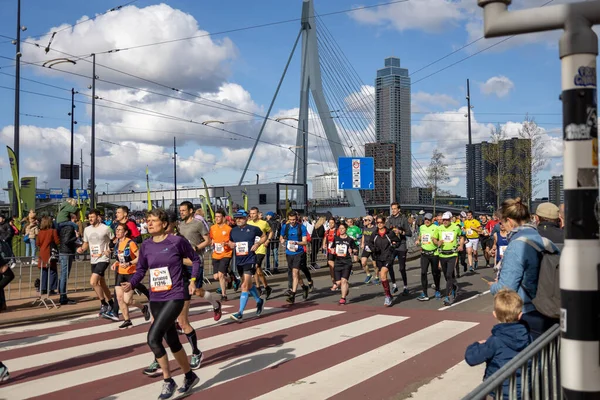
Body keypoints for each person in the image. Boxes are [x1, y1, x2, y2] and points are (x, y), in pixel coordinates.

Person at [122, 208, 200, 399]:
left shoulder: (177, 241)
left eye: (153, 220)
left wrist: (192, 281)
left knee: (153, 338)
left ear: (164, 224)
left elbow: (196, 260)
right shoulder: (146, 245)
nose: (149, 223)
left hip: (175, 295)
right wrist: (131, 283)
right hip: (155, 297)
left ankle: (168, 380)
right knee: (172, 340)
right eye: (147, 220)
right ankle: (189, 375)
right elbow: (141, 270)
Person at [488, 198, 560, 341]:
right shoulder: (547, 242)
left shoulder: (517, 245)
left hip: (527, 313)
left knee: (528, 361)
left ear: (509, 221)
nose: (502, 227)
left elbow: (506, 288)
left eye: (502, 223)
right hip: (551, 309)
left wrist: (493, 286)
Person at [465, 289, 531, 399]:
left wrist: (476, 344)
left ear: (495, 315)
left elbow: (471, 358)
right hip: (522, 389)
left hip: (498, 391)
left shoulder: (495, 340)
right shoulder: (527, 336)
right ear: (520, 315)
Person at [177, 201, 219, 369]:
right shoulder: (179, 225)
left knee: (197, 292)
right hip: (181, 264)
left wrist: (195, 247)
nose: (181, 213)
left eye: (184, 210)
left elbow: (208, 241)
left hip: (195, 262)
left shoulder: (198, 223)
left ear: (191, 211)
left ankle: (215, 303)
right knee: (183, 293)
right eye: (180, 210)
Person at [228, 209, 266, 321]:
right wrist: (231, 244)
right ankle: (259, 301)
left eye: (241, 218)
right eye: (237, 218)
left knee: (244, 286)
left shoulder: (253, 229)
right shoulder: (233, 231)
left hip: (250, 260)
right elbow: (230, 242)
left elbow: (264, 236)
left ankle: (240, 313)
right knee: (248, 285)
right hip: (239, 260)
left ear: (246, 218)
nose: (238, 220)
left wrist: (258, 244)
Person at [77, 209, 116, 317]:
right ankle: (112, 304)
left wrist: (110, 249)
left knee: (93, 282)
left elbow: (115, 239)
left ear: (98, 217)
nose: (90, 219)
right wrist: (81, 249)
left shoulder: (106, 228)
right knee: (101, 283)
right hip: (93, 259)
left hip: (103, 258)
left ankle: (103, 304)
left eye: (92, 217)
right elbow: (86, 243)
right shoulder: (87, 230)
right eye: (89, 217)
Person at [111, 223, 150, 329]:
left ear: (125, 232)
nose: (117, 232)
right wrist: (116, 263)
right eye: (117, 230)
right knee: (119, 298)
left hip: (131, 274)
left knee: (128, 300)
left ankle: (143, 308)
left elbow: (139, 258)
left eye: (120, 230)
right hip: (120, 273)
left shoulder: (130, 243)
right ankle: (127, 320)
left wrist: (130, 263)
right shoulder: (117, 243)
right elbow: (119, 257)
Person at [369, 215, 400, 307]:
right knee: (383, 277)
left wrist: (394, 246)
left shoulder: (389, 233)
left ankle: (387, 296)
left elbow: (397, 241)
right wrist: (373, 249)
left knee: (383, 274)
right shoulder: (374, 234)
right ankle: (389, 294)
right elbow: (370, 244)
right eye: (377, 223)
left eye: (381, 222)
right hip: (378, 257)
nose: (379, 224)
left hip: (388, 256)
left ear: (384, 222)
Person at [280, 211, 310, 304]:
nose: (292, 221)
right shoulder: (286, 226)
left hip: (299, 252)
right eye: (290, 220)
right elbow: (281, 236)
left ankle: (292, 295)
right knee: (295, 274)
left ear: (296, 219)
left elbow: (305, 242)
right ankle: (304, 287)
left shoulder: (302, 227)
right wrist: (282, 240)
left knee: (295, 272)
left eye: (294, 220)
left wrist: (297, 243)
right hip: (289, 252)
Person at [436, 212, 464, 306]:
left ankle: (448, 297)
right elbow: (433, 238)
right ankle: (454, 287)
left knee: (448, 275)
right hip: (442, 255)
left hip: (452, 254)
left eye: (446, 220)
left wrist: (461, 245)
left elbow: (462, 236)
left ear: (450, 219)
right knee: (447, 275)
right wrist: (437, 242)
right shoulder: (439, 228)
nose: (445, 221)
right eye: (443, 220)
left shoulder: (456, 227)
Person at [385, 202, 412, 296]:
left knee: (402, 268)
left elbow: (409, 233)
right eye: (392, 209)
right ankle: (394, 285)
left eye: (395, 209)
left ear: (399, 209)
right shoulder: (389, 219)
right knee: (389, 265)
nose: (393, 210)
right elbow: (386, 231)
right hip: (392, 245)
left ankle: (405, 287)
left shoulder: (403, 219)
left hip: (402, 245)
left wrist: (400, 231)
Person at [209, 209, 235, 301]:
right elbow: (212, 239)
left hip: (226, 254)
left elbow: (232, 243)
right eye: (215, 217)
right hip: (216, 254)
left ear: (223, 218)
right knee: (216, 276)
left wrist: (227, 244)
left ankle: (224, 295)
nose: (217, 218)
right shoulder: (212, 228)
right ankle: (230, 279)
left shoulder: (229, 229)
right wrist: (212, 242)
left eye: (219, 216)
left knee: (220, 275)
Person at [248, 207, 273, 299]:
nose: (252, 215)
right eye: (251, 213)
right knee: (257, 270)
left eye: (254, 213)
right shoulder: (248, 223)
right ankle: (265, 287)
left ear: (258, 214)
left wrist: (268, 241)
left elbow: (270, 232)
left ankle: (259, 288)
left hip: (261, 248)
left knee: (256, 267)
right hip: (252, 248)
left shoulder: (264, 223)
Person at [415, 213, 441, 301]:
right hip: (424, 254)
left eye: (429, 219)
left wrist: (436, 242)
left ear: (432, 220)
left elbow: (439, 239)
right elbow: (420, 236)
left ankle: (437, 289)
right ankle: (425, 293)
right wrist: (418, 240)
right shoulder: (421, 227)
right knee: (423, 273)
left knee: (435, 273)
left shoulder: (436, 228)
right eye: (425, 219)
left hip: (434, 253)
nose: (427, 221)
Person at [332, 222, 358, 304]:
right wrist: (332, 250)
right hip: (338, 262)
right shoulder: (336, 238)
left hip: (347, 262)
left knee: (343, 281)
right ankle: (346, 287)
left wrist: (352, 251)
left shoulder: (349, 239)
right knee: (339, 282)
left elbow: (356, 249)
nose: (341, 230)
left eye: (342, 228)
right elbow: (332, 247)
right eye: (340, 229)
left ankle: (343, 298)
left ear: (346, 229)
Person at [58, 212, 79, 305]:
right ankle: (63, 297)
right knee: (64, 275)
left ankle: (62, 295)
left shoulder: (62, 227)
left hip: (63, 251)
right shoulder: (70, 227)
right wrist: (76, 237)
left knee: (63, 274)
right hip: (67, 252)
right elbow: (66, 241)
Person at [36, 216, 60, 295]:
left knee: (44, 271)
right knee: (53, 271)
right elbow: (57, 241)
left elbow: (38, 243)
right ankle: (51, 288)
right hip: (50, 253)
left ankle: (43, 288)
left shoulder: (40, 232)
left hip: (42, 253)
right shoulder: (52, 231)